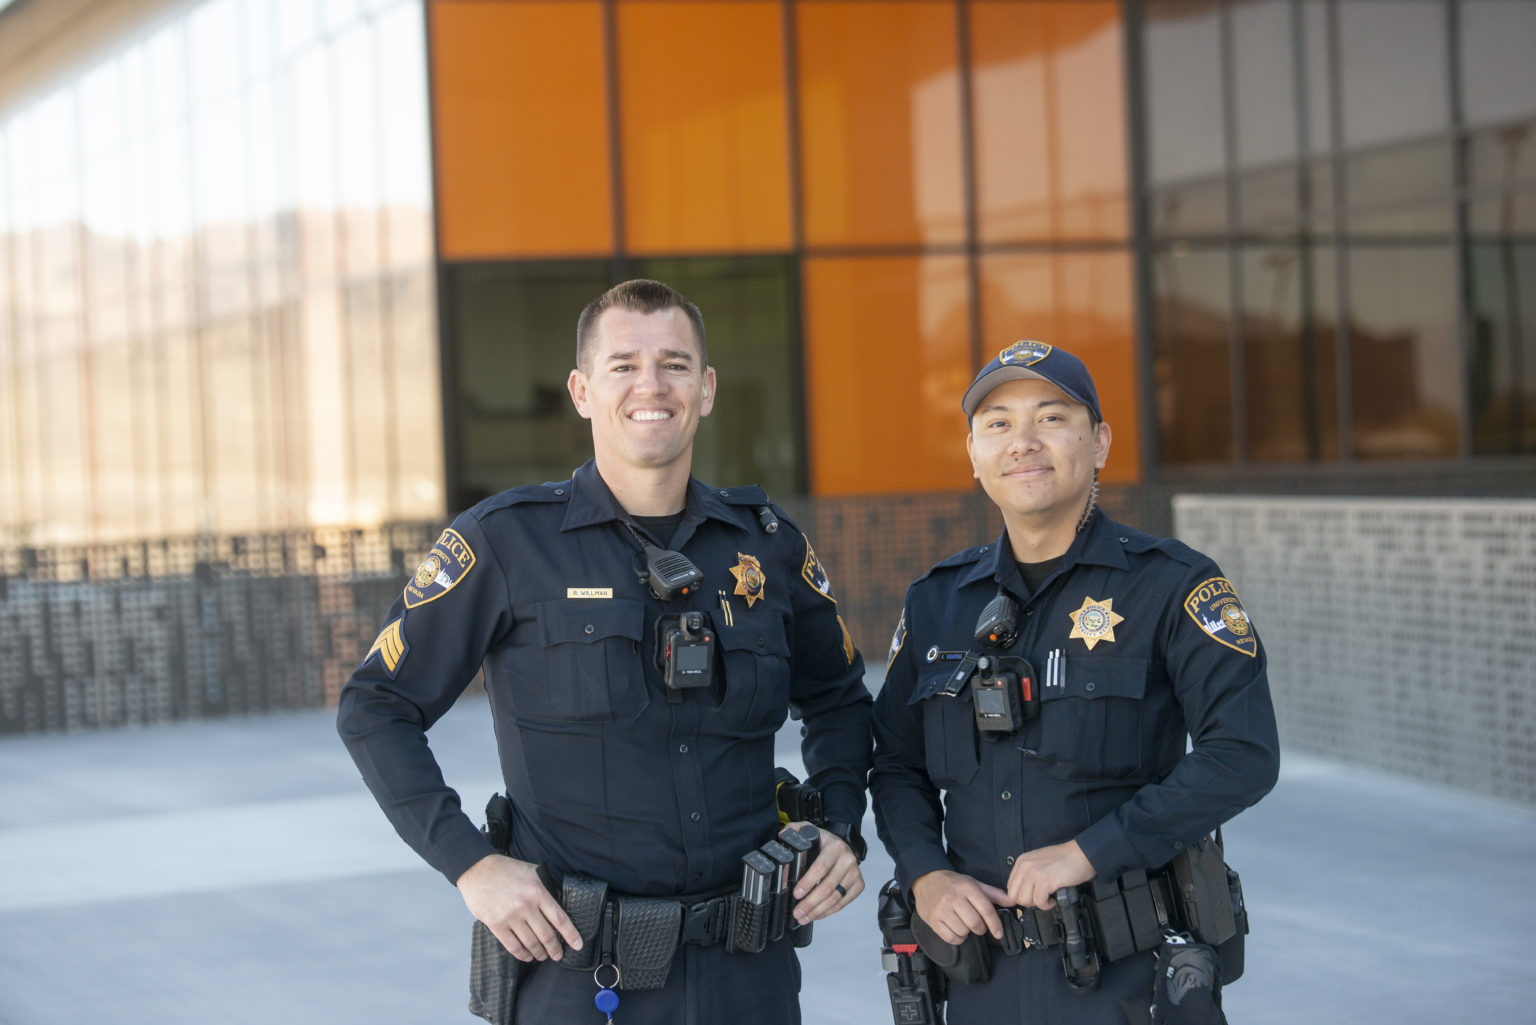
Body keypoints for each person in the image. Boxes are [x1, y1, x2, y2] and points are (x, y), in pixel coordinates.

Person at [337, 279, 873, 1024]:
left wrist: (841, 825)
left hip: (750, 976)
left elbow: (842, 697)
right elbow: (376, 705)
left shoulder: (767, 544)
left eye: (675, 364)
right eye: (623, 365)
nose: (651, 385)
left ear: (707, 388)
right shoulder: (506, 543)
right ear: (582, 390)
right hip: (580, 977)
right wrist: (471, 864)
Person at [869, 340, 1280, 1023]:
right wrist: (925, 870)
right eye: (998, 423)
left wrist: (1093, 850)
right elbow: (895, 761)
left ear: (1100, 442)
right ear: (974, 455)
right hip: (980, 984)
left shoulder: (1173, 585)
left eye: (1051, 417)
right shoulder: (937, 601)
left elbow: (1243, 753)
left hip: (1130, 979)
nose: (1023, 441)